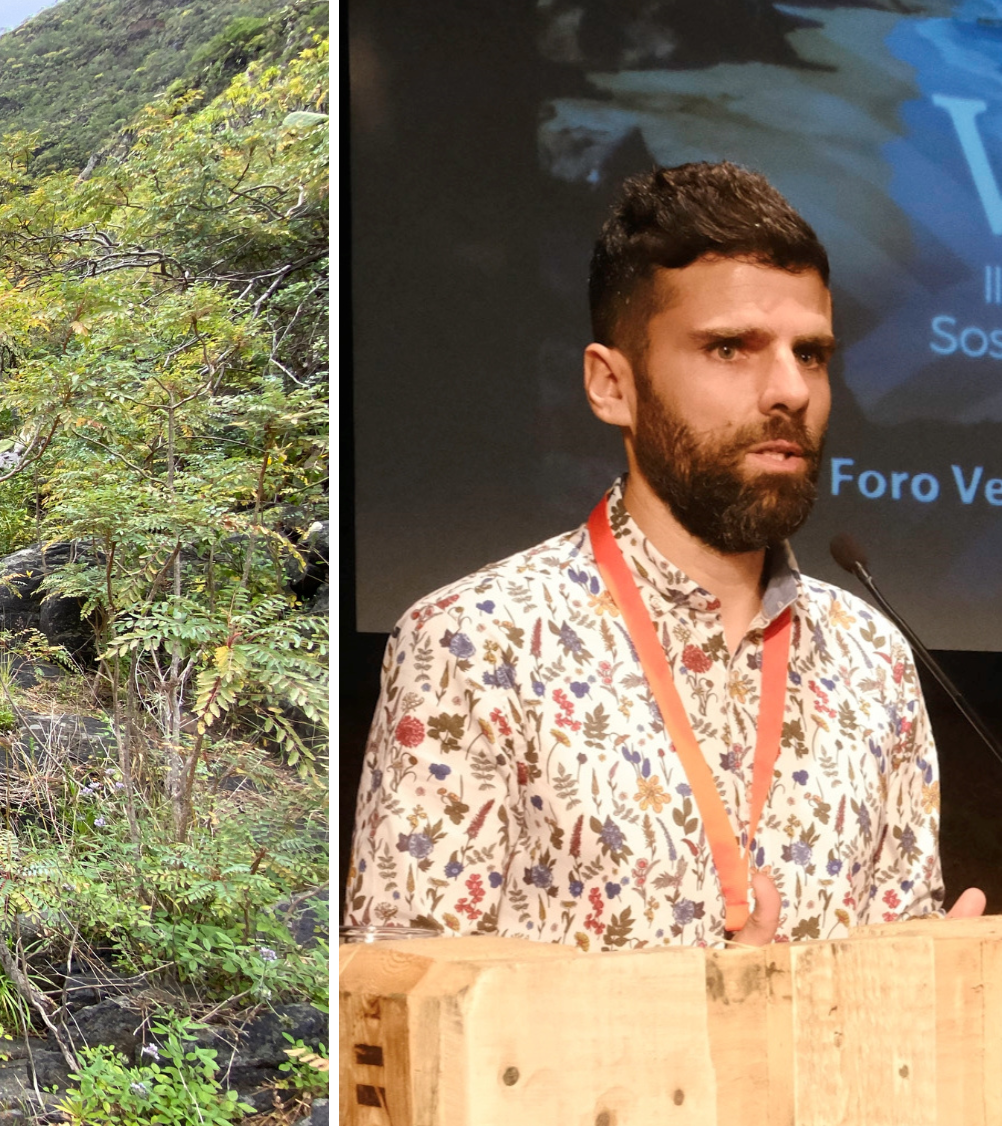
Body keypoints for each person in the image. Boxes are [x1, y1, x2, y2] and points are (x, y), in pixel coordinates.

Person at [344, 162, 985, 950]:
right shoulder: (475, 644)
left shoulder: (874, 659)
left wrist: (930, 982)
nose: (789, 389)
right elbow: (408, 1013)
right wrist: (702, 1019)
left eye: (811, 354)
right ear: (611, 385)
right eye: (730, 349)